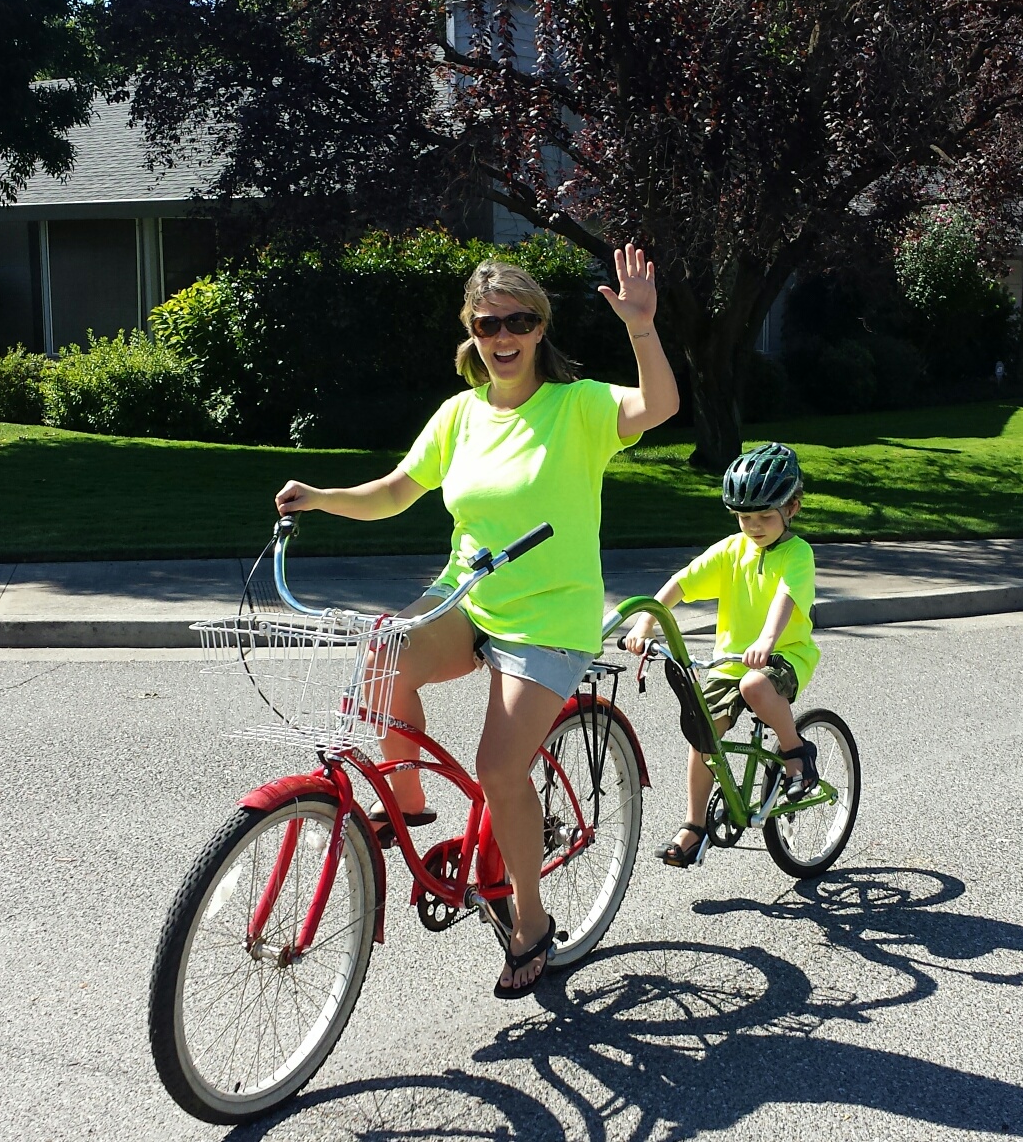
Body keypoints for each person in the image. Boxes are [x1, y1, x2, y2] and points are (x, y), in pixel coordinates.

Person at [274, 244, 677, 997]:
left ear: (539, 327)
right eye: (491, 321)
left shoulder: (579, 405)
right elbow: (397, 490)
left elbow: (658, 407)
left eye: (521, 320)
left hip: (549, 619)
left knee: (498, 768)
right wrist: (323, 496)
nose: (505, 334)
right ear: (472, 328)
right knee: (383, 652)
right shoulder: (459, 415)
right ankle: (411, 807)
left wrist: (642, 327)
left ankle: (530, 919)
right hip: (471, 596)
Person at [622, 442, 821, 868]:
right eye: (745, 517)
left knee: (755, 684)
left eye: (765, 516)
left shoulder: (797, 553)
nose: (753, 526)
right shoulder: (732, 550)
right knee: (703, 731)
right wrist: (645, 623)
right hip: (731, 661)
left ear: (794, 508)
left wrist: (768, 640)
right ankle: (694, 827)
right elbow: (681, 583)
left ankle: (796, 755)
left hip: (784, 654)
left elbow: (786, 600)